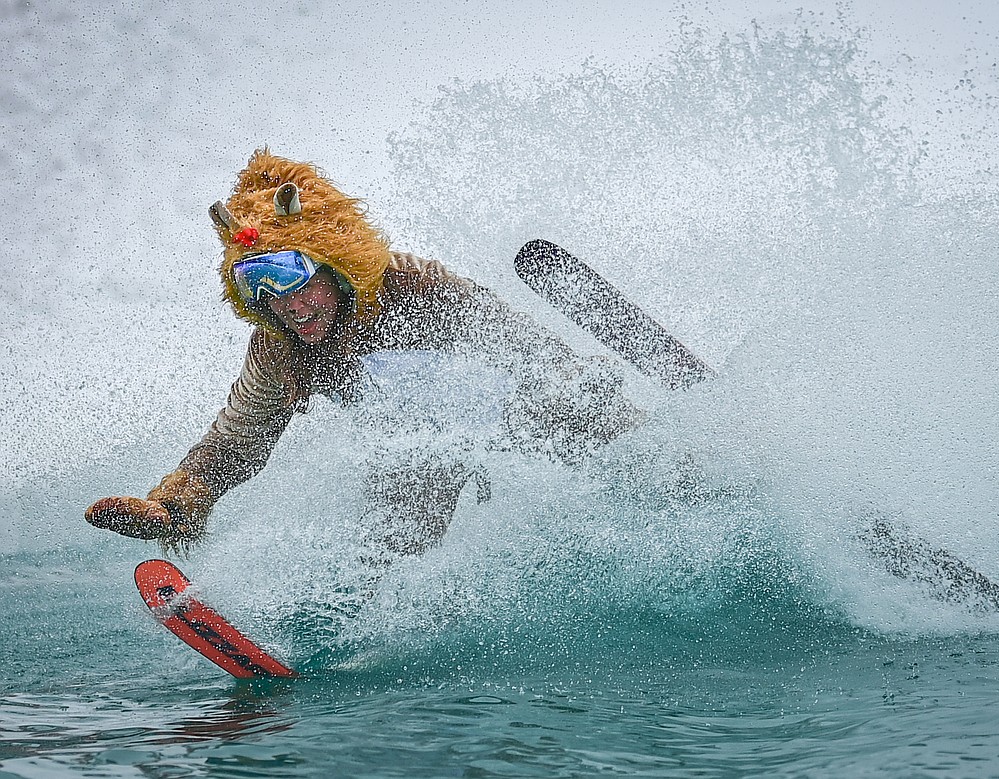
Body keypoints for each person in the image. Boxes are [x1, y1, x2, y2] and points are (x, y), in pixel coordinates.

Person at [86, 150, 642, 554]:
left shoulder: (413, 285)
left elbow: (514, 339)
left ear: (336, 264)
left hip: (514, 412)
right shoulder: (282, 348)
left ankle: (687, 475)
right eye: (259, 285)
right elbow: (237, 439)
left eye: (293, 277)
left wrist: (573, 377)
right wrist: (178, 502)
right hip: (419, 446)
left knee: (580, 419)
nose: (287, 304)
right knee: (395, 522)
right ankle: (350, 625)